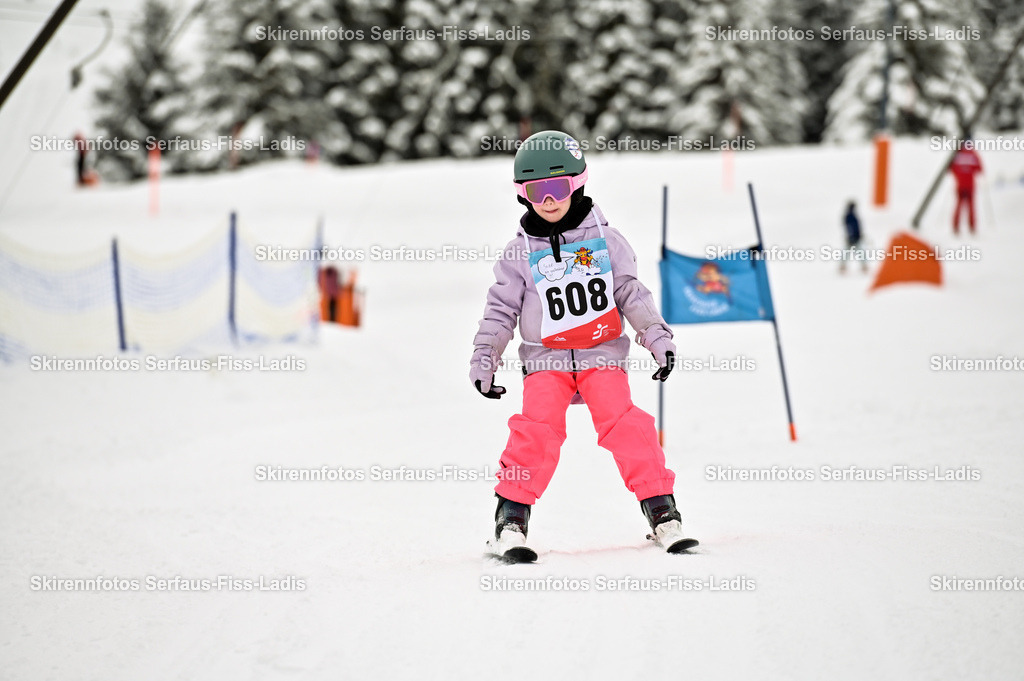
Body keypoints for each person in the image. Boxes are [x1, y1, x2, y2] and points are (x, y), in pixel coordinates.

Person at [469, 130, 697, 561]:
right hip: (546, 362)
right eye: (536, 191)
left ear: (577, 183)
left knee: (625, 423)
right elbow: (500, 311)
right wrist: (486, 358)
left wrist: (657, 338)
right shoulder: (518, 253)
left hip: (600, 356)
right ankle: (510, 519)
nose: (548, 200)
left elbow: (631, 294)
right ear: (523, 194)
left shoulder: (607, 242)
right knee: (536, 430)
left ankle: (663, 511)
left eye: (557, 188)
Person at [949, 139, 983, 235]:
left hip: (960, 185)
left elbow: (951, 168)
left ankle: (955, 227)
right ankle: (972, 227)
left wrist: (959, 175)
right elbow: (980, 169)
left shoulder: (957, 154)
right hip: (970, 185)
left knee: (958, 206)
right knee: (971, 206)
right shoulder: (973, 154)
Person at [840, 200, 868, 274]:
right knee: (856, 252)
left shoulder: (851, 215)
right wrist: (852, 236)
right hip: (852, 237)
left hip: (855, 236)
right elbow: (850, 227)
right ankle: (843, 266)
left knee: (853, 252)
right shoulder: (849, 216)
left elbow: (856, 227)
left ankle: (843, 265)